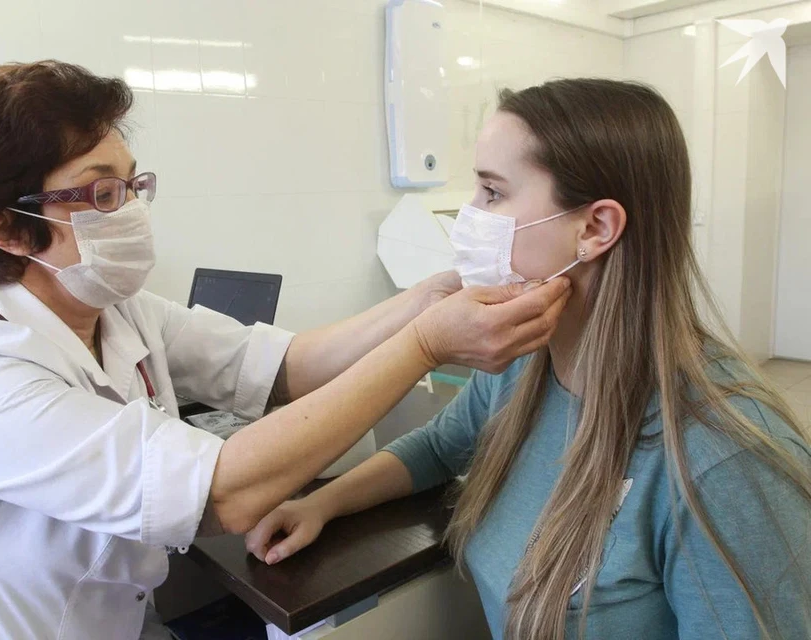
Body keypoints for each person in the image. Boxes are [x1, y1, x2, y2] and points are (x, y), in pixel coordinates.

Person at [0, 61, 571, 640]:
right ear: (9, 230)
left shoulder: (113, 308)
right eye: (101, 195)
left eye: (133, 184)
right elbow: (224, 494)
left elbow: (285, 367)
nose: (131, 211)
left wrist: (420, 302)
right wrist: (424, 344)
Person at [246, 78, 811, 640]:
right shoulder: (525, 361)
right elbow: (438, 447)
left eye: (492, 193)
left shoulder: (725, 464)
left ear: (596, 228)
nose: (468, 214)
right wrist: (323, 504)